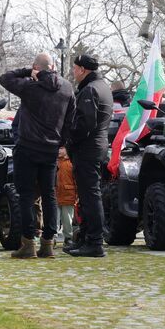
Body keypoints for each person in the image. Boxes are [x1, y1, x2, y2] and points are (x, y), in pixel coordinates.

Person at [0, 53, 74, 259]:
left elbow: (4, 78)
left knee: (26, 196)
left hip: (27, 147)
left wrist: (27, 72)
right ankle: (48, 242)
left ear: (36, 68)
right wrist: (62, 143)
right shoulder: (67, 88)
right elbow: (70, 119)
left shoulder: (30, 87)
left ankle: (28, 242)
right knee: (49, 194)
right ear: (54, 67)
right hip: (51, 149)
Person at [65, 53, 114, 258]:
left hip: (87, 148)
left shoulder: (90, 90)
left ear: (83, 69)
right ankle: (86, 239)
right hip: (96, 147)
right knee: (88, 196)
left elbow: (84, 124)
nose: (73, 72)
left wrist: (69, 140)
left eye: (75, 68)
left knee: (90, 196)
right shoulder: (102, 87)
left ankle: (94, 241)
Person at [55, 147, 77, 248]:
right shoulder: (54, 161)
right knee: (54, 217)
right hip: (55, 194)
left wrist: (77, 194)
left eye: (61, 148)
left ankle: (68, 237)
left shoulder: (71, 162)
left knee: (67, 219)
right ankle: (52, 237)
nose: (59, 151)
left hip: (68, 194)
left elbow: (76, 179)